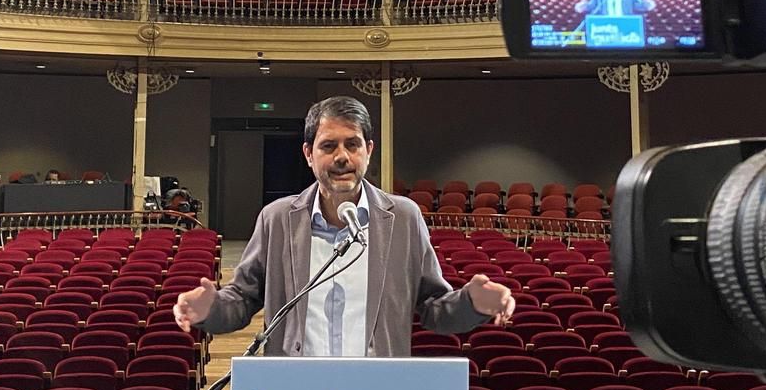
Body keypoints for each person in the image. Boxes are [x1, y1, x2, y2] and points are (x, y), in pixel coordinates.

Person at [174, 96, 515, 357]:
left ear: (368, 150)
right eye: (328, 146)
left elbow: (433, 308)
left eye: (352, 144)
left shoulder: (404, 217)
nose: (342, 157)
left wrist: (472, 302)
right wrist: (211, 310)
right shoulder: (277, 218)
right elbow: (242, 300)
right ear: (308, 154)